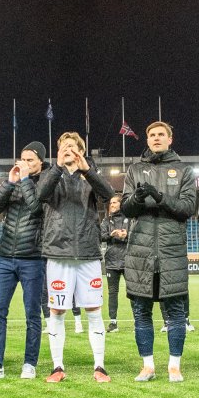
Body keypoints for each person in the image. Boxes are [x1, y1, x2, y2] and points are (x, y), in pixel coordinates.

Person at [121, 121, 198, 381]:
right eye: (152, 135)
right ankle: (148, 366)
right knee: (141, 312)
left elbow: (187, 208)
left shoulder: (184, 170)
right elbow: (126, 209)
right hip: (139, 251)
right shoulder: (135, 169)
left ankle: (174, 366)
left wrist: (160, 197)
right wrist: (137, 198)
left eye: (161, 134)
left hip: (171, 250)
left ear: (170, 139)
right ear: (147, 139)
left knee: (175, 312)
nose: (156, 138)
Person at [36, 133, 116, 382]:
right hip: (58, 252)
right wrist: (58, 167)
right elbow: (40, 195)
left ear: (81, 150)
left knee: (93, 310)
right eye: (64, 146)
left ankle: (99, 366)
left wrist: (87, 170)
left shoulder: (90, 174)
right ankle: (57, 367)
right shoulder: (51, 173)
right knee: (57, 311)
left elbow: (109, 194)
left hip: (87, 251)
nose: (68, 149)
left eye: (72, 146)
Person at [0, 143, 47, 379]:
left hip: (33, 257)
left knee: (32, 314)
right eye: (22, 159)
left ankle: (30, 364)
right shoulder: (14, 183)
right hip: (6, 256)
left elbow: (36, 209)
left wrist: (25, 180)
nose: (24, 163)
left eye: (30, 160)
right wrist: (9, 183)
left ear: (41, 162)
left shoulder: (46, 182)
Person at [101, 194, 130, 332]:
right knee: (112, 293)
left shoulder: (129, 218)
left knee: (133, 292)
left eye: (114, 202)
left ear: (121, 204)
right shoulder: (106, 220)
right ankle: (113, 323)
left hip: (128, 260)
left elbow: (136, 235)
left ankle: (139, 322)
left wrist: (126, 235)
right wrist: (110, 235)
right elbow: (100, 236)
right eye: (110, 203)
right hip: (111, 261)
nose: (111, 205)